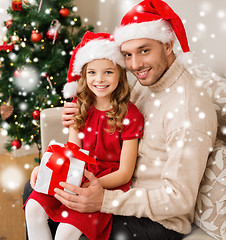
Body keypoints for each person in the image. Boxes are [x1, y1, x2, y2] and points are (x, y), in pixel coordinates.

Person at [24, 31, 144, 240]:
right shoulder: (80, 107)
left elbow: (125, 173)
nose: (99, 79)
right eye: (92, 73)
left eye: (108, 72)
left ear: (120, 74)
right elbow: (72, 152)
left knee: (66, 231)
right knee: (33, 208)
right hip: (76, 173)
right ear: (84, 75)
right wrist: (46, 169)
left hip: (106, 182)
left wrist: (90, 186)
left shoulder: (130, 115)